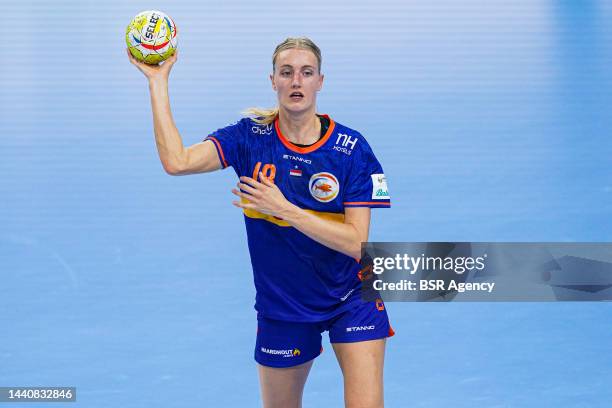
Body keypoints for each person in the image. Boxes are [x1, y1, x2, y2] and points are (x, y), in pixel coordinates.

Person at [128, 37, 393, 408]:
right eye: (287, 73)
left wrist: (284, 209)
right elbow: (177, 161)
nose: (296, 81)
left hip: (350, 297)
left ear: (320, 81)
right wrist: (157, 82)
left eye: (306, 73)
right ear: (273, 81)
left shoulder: (352, 150)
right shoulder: (249, 137)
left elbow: (357, 243)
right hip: (283, 304)